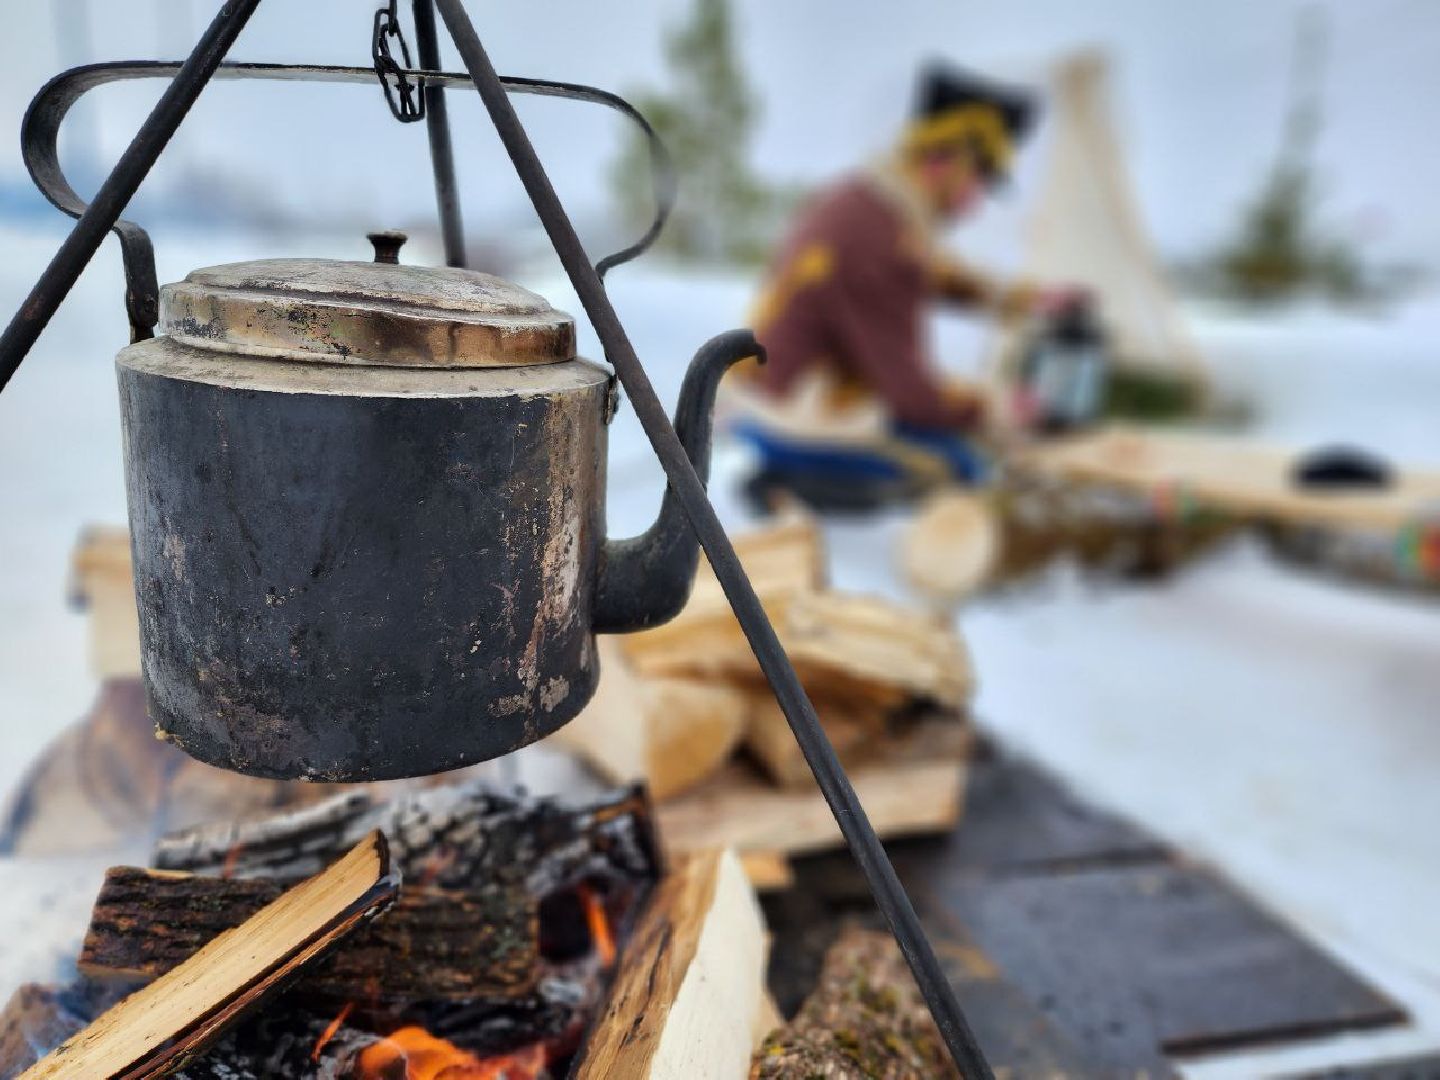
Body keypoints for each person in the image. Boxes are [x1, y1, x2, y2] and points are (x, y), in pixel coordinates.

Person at [734, 61, 1077, 509]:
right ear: (942, 160)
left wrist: (1020, 300)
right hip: (798, 417)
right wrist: (999, 409)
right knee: (965, 466)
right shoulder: (879, 238)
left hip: (775, 393)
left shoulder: (870, 205)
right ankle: (801, 487)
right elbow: (912, 395)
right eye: (979, 177)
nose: (976, 202)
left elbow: (931, 272)